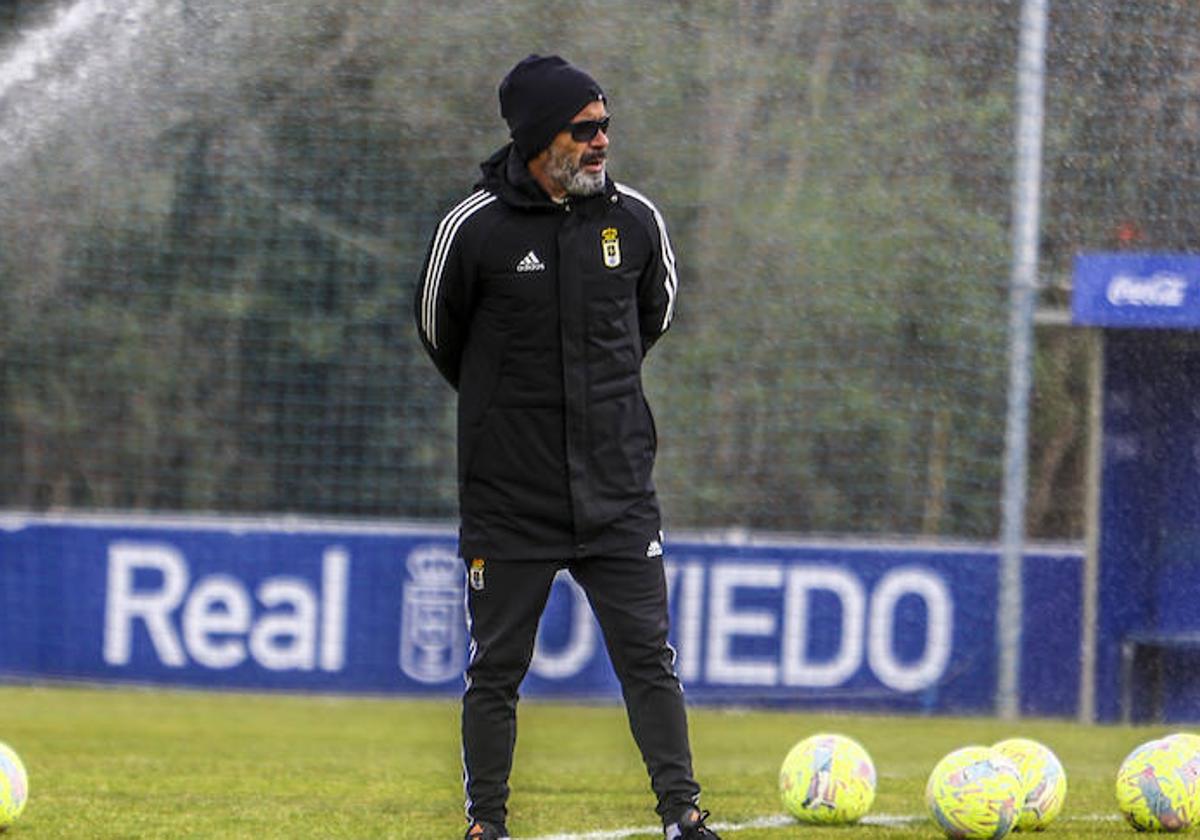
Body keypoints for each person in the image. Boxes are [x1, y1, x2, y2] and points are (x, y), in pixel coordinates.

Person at [414, 54, 719, 840]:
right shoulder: (471, 229)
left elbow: (651, 321)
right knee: (496, 672)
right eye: (584, 129)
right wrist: (506, 414)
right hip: (510, 499)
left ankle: (683, 817)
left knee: (650, 661)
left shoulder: (636, 222)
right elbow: (439, 335)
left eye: (605, 126)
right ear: (535, 137)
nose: (601, 141)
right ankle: (487, 823)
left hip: (617, 493)